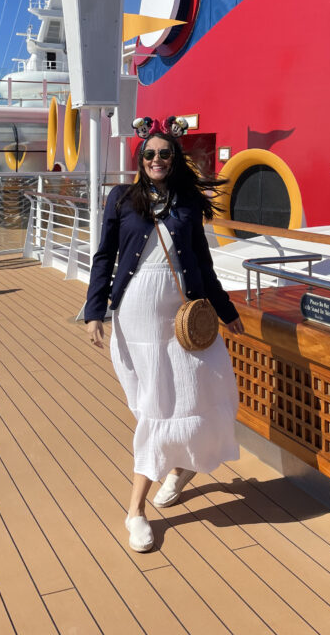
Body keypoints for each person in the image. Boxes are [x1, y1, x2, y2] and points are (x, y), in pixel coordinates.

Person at [85, 115, 245, 553]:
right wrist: (93, 311)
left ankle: (179, 470)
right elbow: (104, 258)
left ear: (174, 160)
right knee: (156, 407)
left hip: (186, 318)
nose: (157, 159)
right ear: (141, 159)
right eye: (150, 154)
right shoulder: (121, 198)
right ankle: (135, 512)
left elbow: (204, 265)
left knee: (210, 391)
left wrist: (227, 310)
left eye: (165, 154)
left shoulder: (188, 205)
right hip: (137, 317)